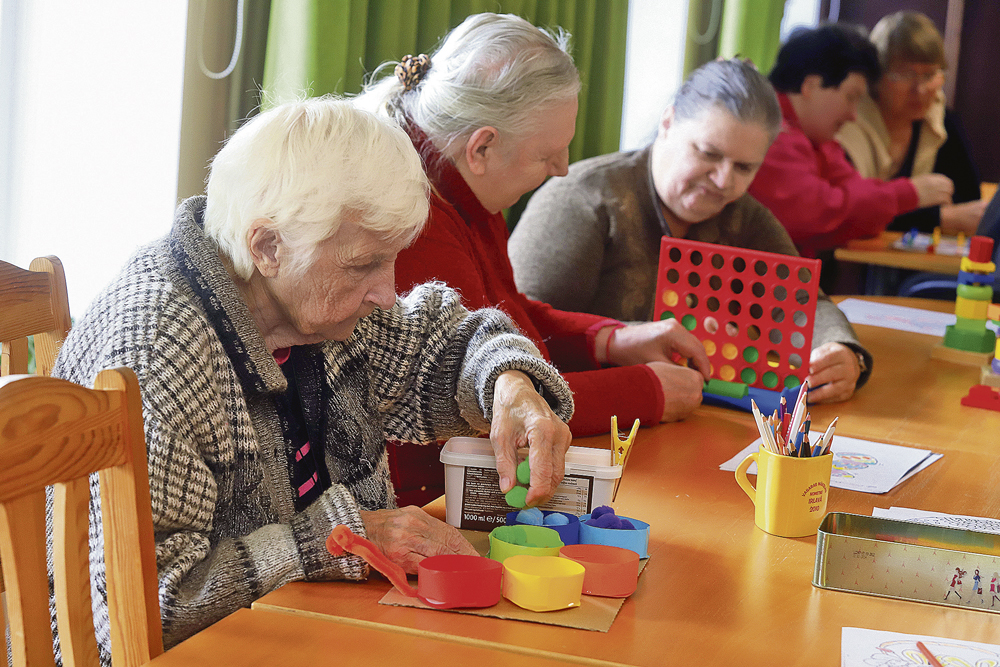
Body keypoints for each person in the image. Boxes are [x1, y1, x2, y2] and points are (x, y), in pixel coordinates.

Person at [52, 97, 574, 658]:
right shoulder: (159, 351)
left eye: (391, 259)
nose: (385, 291)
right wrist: (345, 538)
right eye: (363, 264)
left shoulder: (311, 305)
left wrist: (509, 382)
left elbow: (441, 345)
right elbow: (151, 605)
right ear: (268, 246)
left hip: (306, 633)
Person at [355, 12, 712, 506]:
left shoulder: (463, 181)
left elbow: (506, 315)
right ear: (482, 147)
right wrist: (643, 392)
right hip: (421, 499)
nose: (563, 169)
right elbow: (478, 401)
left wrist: (609, 341)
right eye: (547, 155)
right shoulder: (413, 221)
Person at [509, 59, 872, 406]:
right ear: (667, 123)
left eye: (744, 167)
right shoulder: (584, 199)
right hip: (588, 422)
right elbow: (516, 330)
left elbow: (804, 304)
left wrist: (841, 352)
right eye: (709, 154)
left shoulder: (744, 215)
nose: (723, 181)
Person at [747, 24, 954, 259]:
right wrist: (906, 194)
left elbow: (858, 208)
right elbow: (816, 213)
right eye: (851, 97)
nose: (853, 115)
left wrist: (888, 200)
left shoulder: (817, 137)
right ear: (810, 86)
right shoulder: (767, 130)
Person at [836, 11, 985, 235]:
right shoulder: (848, 120)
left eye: (930, 74)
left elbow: (969, 203)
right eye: (905, 75)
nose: (921, 89)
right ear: (876, 76)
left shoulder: (941, 119)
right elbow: (850, 210)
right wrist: (940, 218)